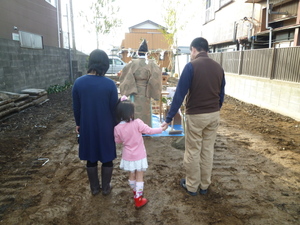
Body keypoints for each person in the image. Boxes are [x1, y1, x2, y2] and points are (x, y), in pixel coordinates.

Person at [161, 37, 226, 196]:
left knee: (192, 150)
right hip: (213, 115)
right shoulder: (219, 68)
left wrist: (169, 118)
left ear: (193, 49)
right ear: (207, 50)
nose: (190, 54)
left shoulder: (191, 66)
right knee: (207, 150)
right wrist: (216, 108)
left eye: (190, 51)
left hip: (196, 115)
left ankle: (191, 186)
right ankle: (204, 185)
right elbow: (222, 94)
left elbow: (179, 94)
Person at [72, 49, 119, 196]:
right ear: (105, 65)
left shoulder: (79, 83)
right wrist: (115, 124)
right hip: (106, 127)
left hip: (87, 126)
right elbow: (114, 109)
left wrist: (79, 124)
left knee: (91, 157)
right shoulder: (110, 84)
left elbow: (76, 108)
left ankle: (94, 188)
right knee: (107, 157)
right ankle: (106, 188)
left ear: (90, 63)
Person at [114, 95, 167, 209]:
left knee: (131, 175)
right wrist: (161, 129)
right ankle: (138, 199)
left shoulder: (117, 128)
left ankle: (135, 193)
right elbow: (149, 131)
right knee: (139, 176)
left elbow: (117, 141)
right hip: (139, 155)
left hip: (128, 156)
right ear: (131, 113)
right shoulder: (137, 123)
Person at [119, 39, 162, 127]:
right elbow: (156, 78)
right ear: (147, 53)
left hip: (134, 91)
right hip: (146, 91)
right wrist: (152, 90)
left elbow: (126, 75)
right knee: (146, 111)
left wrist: (129, 88)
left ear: (138, 53)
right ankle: (145, 128)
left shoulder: (132, 63)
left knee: (134, 110)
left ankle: (134, 128)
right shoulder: (152, 64)